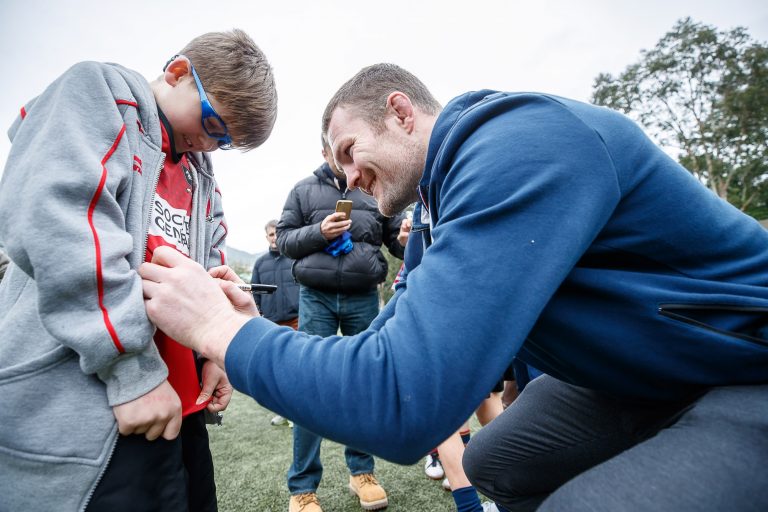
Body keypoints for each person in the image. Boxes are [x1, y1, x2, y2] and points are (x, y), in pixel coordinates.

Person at [140, 63, 768, 511]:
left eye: (350, 150)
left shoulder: (516, 142)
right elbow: (384, 344)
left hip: (740, 368)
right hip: (638, 380)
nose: (350, 179)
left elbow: (405, 403)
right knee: (496, 462)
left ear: (400, 111)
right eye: (337, 167)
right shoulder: (436, 212)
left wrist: (223, 333)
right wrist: (250, 320)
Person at [0, 29, 277, 511]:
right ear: (177, 73)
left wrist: (215, 350)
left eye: (227, 142)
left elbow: (209, 262)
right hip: (93, 403)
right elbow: (60, 222)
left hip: (172, 402)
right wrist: (130, 370)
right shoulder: (98, 93)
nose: (211, 145)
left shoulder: (199, 169)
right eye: (213, 122)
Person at [274, 137, 407, 512]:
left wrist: (402, 239)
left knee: (363, 381)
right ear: (323, 152)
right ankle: (302, 488)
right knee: (309, 385)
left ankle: (361, 472)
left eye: (352, 155)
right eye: (339, 155)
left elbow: (395, 240)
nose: (348, 162)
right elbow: (284, 241)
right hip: (315, 297)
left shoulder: (371, 186)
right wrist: (320, 232)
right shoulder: (302, 190)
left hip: (363, 297)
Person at [251, 219, 300, 426]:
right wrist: (257, 314)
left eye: (278, 233)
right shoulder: (260, 263)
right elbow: (254, 292)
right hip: (271, 323)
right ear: (267, 237)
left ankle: (297, 414)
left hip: (296, 319)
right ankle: (283, 411)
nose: (275, 238)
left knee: (297, 368)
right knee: (276, 371)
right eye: (271, 234)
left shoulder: (294, 258)